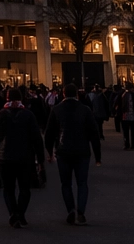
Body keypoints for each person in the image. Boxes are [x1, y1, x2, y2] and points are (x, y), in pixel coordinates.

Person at [44, 84, 101, 226]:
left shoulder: (56, 110)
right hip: (82, 151)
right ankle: (81, 210)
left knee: (66, 183)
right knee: (82, 183)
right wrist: (97, 156)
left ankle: (70, 209)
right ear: (77, 94)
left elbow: (49, 134)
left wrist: (50, 152)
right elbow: (94, 134)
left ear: (63, 94)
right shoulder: (85, 110)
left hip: (63, 151)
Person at [0, 88, 43, 228]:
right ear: (22, 99)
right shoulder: (28, 115)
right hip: (25, 157)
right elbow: (37, 139)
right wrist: (40, 160)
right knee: (25, 188)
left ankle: (13, 213)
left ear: (7, 98)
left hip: (4, 157)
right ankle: (20, 213)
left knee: (8, 189)